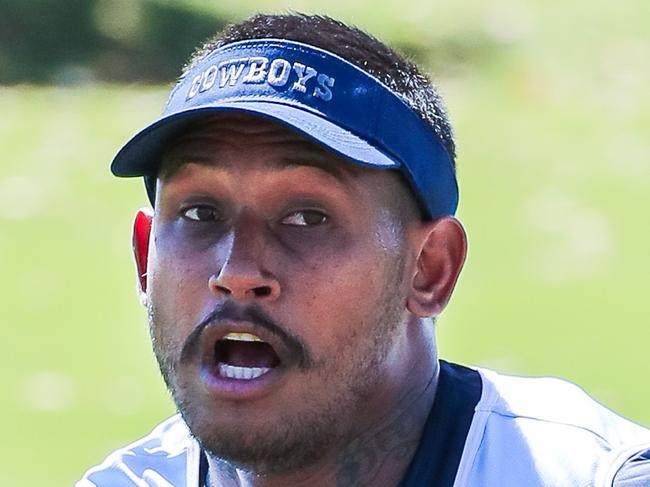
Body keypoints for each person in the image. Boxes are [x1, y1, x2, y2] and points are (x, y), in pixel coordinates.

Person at [77, 13, 650, 487]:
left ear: (429, 269)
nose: (238, 272)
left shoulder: (589, 475)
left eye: (306, 217)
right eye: (200, 213)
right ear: (145, 255)